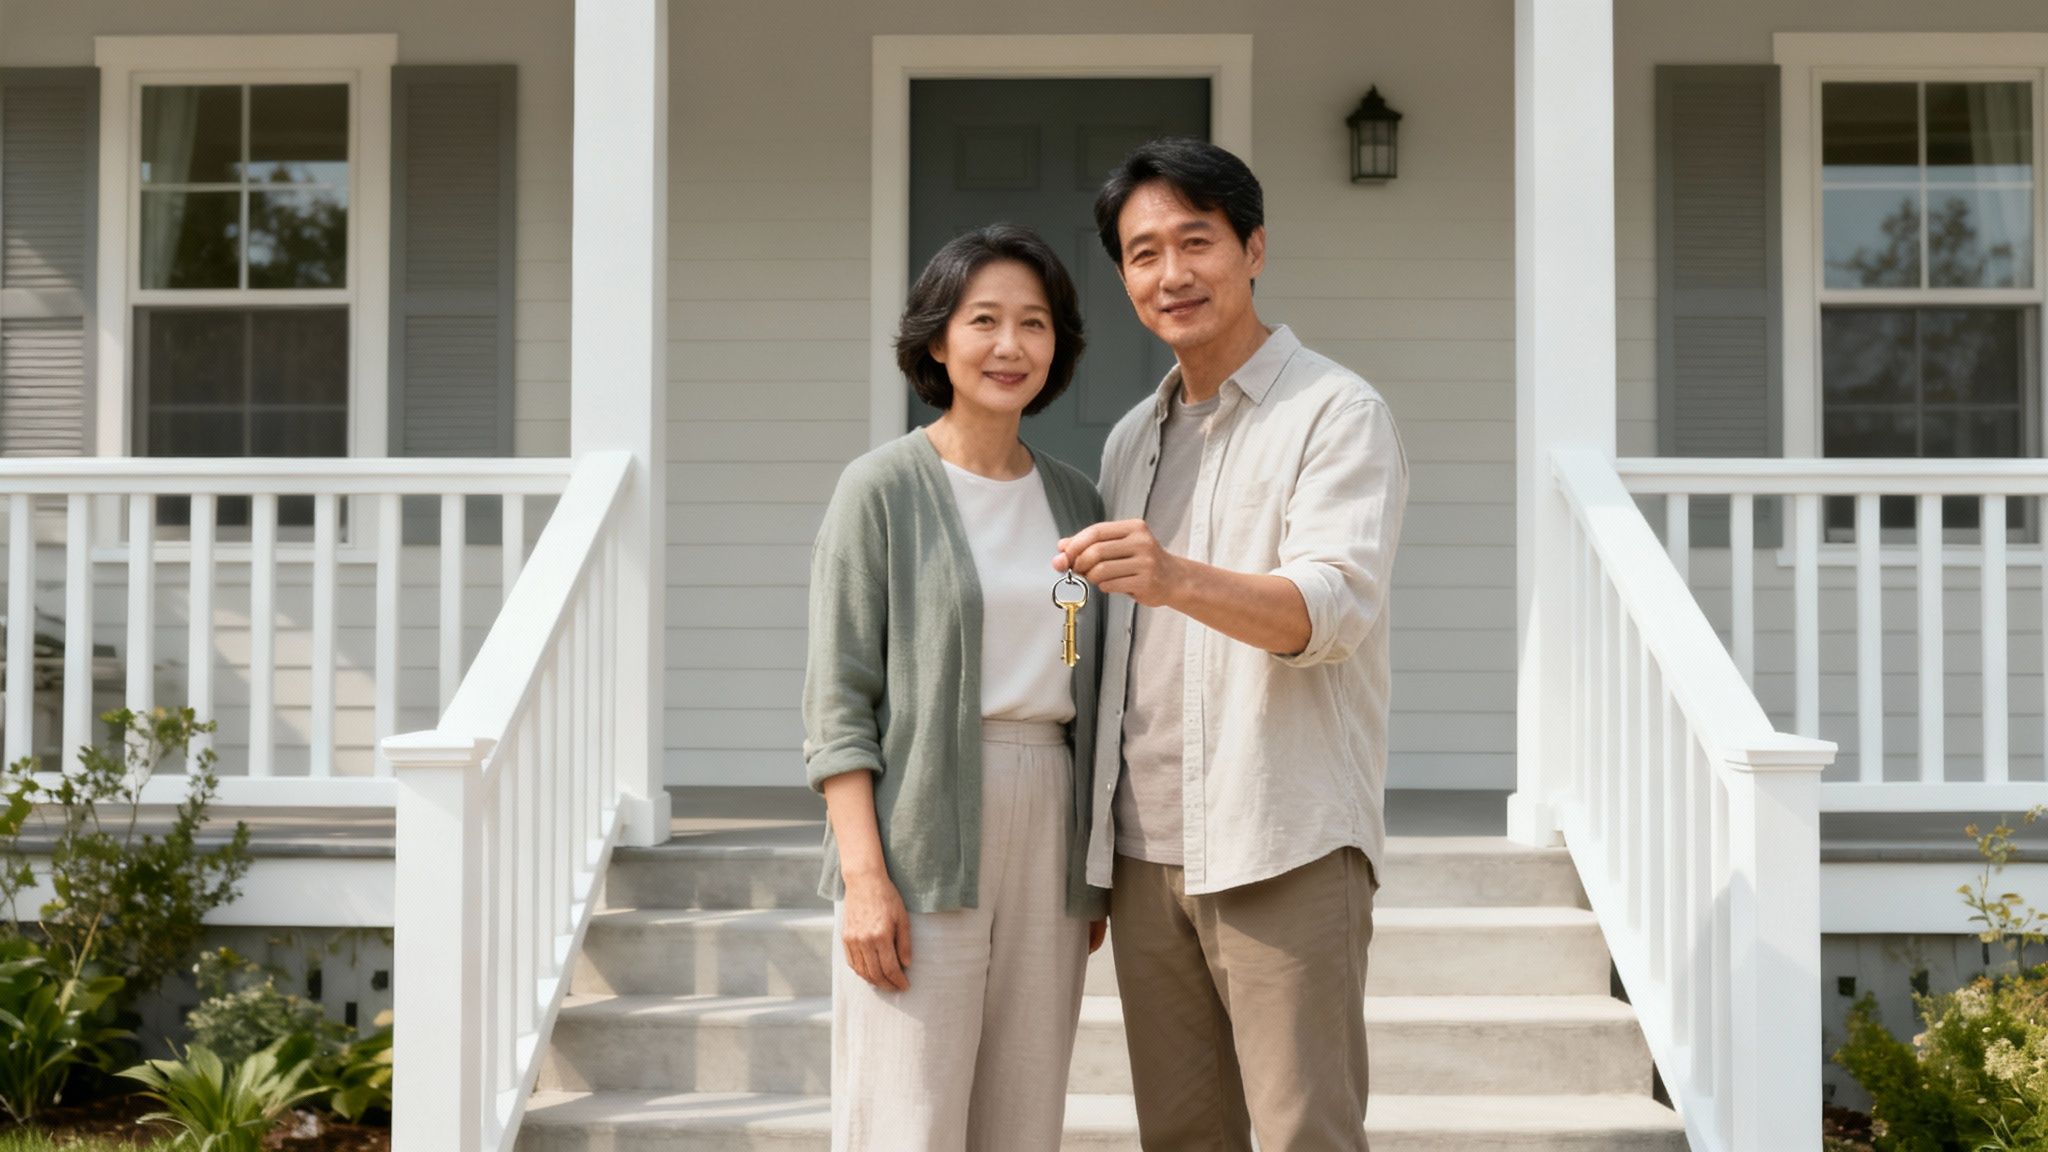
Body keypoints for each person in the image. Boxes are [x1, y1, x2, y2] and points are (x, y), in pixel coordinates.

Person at [1054, 138, 1408, 1151]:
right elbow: (1102, 649)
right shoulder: (1130, 439)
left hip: (1280, 838)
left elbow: (1331, 612)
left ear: (1252, 249)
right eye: (1141, 253)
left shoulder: (1334, 414)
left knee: (1305, 1136)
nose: (1170, 275)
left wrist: (1175, 578)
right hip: (1141, 847)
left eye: (1194, 242)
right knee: (1181, 1136)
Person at [803, 223, 1110, 1152]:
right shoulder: (881, 488)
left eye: (1034, 323)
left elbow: (1090, 679)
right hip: (922, 816)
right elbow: (838, 703)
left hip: (1048, 808)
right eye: (984, 321)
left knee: (1024, 1115)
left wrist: (1089, 871)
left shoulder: (1077, 500)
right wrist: (865, 880)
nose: (1010, 345)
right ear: (939, 339)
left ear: (1057, 346)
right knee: (909, 1114)